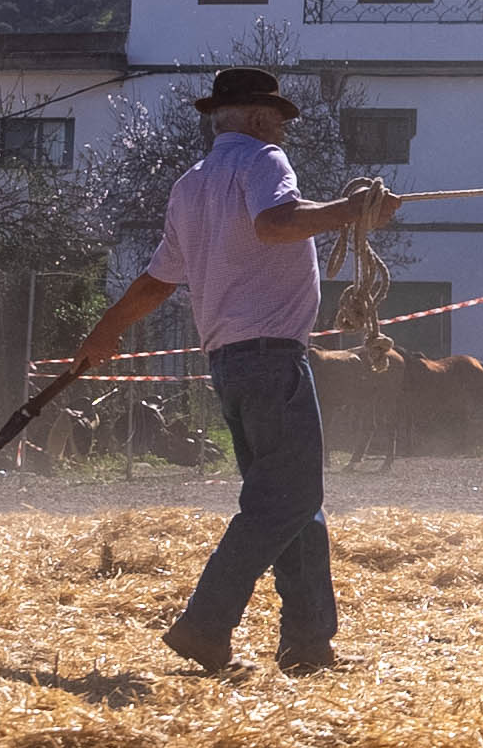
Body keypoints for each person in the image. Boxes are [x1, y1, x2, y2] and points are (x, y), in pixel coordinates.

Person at [71, 68, 398, 677]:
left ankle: (308, 644)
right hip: (274, 357)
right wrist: (348, 212)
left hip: (228, 363)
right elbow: (274, 223)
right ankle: (206, 622)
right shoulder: (265, 159)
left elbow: (156, 281)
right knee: (291, 496)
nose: (282, 125)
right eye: (275, 115)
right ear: (252, 117)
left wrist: (105, 330)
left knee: (291, 500)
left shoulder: (190, 185)